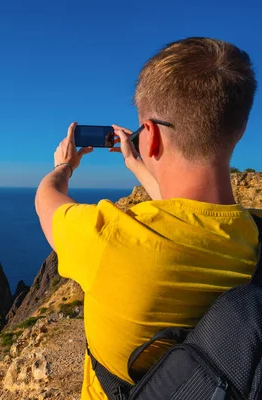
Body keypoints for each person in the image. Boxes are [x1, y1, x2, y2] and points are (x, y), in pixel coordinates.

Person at [35, 37, 258, 400]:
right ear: (239, 130)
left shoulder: (116, 240)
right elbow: (186, 214)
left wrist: (64, 166)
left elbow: (46, 199)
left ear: (150, 135)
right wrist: (135, 160)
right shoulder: (256, 234)